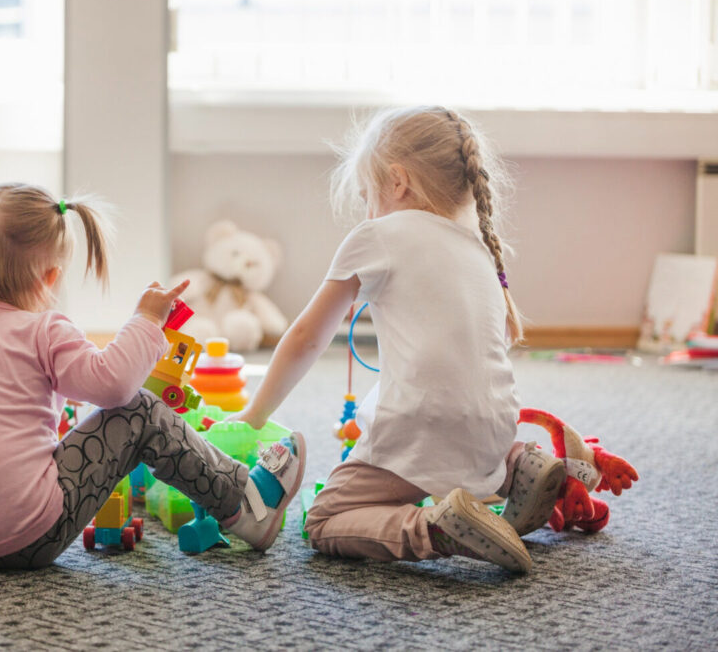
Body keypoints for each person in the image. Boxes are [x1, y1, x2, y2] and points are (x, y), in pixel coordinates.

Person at [0, 183, 305, 568]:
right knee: (139, 411)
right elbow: (113, 386)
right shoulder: (44, 329)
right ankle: (246, 506)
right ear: (50, 277)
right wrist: (146, 321)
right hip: (26, 538)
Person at [229, 107, 565, 573]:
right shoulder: (481, 246)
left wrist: (254, 414)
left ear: (398, 181)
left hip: (419, 426)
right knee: (463, 450)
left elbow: (308, 337)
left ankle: (434, 527)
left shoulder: (377, 236)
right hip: (495, 424)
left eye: (368, 194)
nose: (368, 210)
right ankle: (515, 466)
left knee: (325, 520)